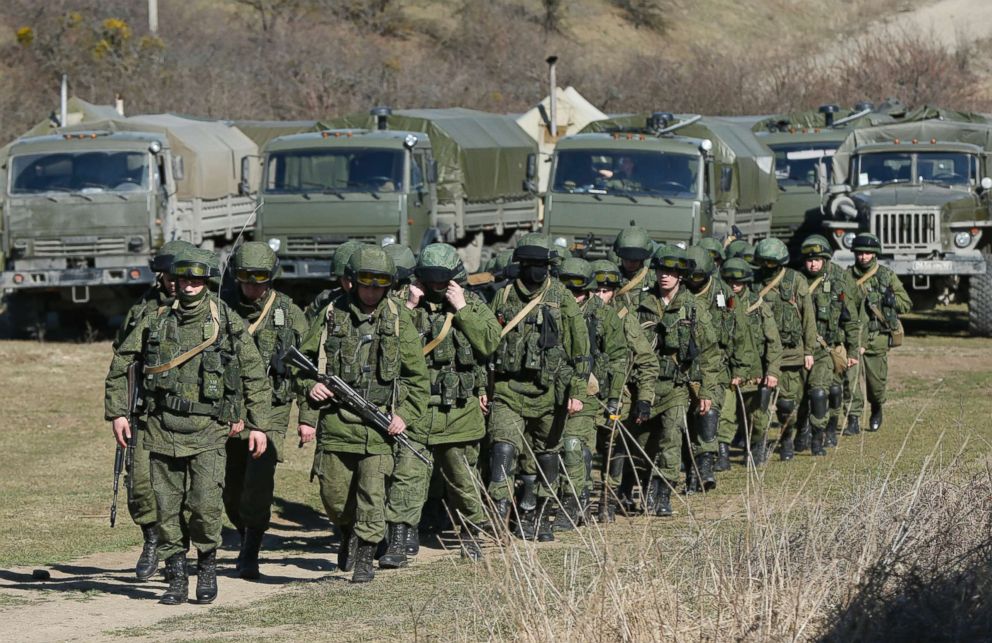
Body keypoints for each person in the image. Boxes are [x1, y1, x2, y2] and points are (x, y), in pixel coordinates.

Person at [105, 246, 272, 605]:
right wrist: (118, 413)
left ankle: (207, 566)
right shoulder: (155, 318)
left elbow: (255, 373)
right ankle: (177, 577)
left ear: (205, 282)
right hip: (162, 429)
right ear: (174, 281)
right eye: (184, 279)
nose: (190, 286)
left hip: (208, 431)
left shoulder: (225, 321)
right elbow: (122, 362)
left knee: (204, 506)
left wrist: (259, 425)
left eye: (197, 280)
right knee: (166, 508)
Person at [296, 246, 429, 583]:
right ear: (352, 282)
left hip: (379, 427)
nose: (372, 291)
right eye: (366, 284)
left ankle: (367, 556)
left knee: (373, 495)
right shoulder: (330, 315)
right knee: (335, 498)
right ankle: (348, 534)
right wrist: (310, 387)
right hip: (337, 424)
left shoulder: (399, 320)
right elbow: (300, 362)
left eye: (379, 285)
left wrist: (404, 416)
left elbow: (417, 378)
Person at [379, 243, 500, 565]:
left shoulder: (471, 303)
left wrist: (461, 308)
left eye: (441, 280)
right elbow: (384, 342)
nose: (435, 286)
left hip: (459, 412)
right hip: (414, 410)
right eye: (429, 279)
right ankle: (400, 540)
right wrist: (408, 304)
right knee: (407, 476)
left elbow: (490, 342)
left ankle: (472, 535)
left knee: (463, 479)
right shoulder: (400, 305)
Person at [484, 233, 590, 542]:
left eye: (541, 264)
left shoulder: (562, 298)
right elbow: (486, 347)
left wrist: (577, 392)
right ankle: (500, 513)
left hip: (550, 393)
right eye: (529, 264)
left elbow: (580, 350)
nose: (535, 270)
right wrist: (483, 388)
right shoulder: (502, 297)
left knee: (546, 457)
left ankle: (539, 514)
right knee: (503, 449)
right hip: (508, 390)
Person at [111, 239, 194, 581]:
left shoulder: (209, 310)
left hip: (191, 415)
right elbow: (122, 360)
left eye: (180, 273)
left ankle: (178, 552)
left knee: (188, 490)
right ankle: (151, 538)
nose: (174, 281)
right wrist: (119, 410)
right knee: (140, 485)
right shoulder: (141, 311)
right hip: (145, 412)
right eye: (168, 274)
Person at [222, 242, 307, 580]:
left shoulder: (290, 313)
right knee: (230, 489)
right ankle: (245, 534)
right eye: (245, 279)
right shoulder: (221, 308)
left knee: (257, 485)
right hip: (230, 410)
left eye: (259, 280)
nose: (252, 287)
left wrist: (307, 418)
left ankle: (250, 549)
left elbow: (305, 370)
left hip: (271, 410)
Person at [630, 244, 721, 515]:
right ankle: (645, 488)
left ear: (681, 275)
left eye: (671, 271)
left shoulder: (693, 308)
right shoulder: (641, 303)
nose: (665, 276)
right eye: (661, 270)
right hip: (643, 388)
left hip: (676, 388)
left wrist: (706, 392)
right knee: (645, 442)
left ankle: (663, 495)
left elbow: (710, 354)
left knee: (672, 440)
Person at [556, 258, 627, 529]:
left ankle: (573, 502)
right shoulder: (550, 306)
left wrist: (614, 398)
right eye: (567, 289)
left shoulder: (602, 314)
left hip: (588, 391)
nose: (572, 296)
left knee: (574, 445)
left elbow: (619, 357)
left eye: (578, 291)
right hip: (548, 390)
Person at [587, 259, 659, 521]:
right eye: (595, 290)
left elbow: (648, 361)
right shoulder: (576, 312)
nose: (599, 296)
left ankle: (608, 497)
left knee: (613, 448)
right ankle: (578, 499)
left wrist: (644, 399)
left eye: (605, 291)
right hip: (583, 395)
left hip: (618, 396)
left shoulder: (624, 318)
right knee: (582, 449)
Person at [751, 238, 817, 462]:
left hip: (791, 353)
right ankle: (758, 444)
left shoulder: (795, 280)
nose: (767, 266)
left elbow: (808, 317)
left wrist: (809, 350)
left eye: (771, 262)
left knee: (787, 403)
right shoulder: (753, 281)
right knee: (759, 404)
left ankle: (787, 437)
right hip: (761, 354)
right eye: (764, 262)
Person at [796, 235, 859, 453]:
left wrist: (852, 351)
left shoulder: (839, 280)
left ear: (825, 259)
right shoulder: (796, 281)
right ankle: (801, 432)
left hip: (829, 348)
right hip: (801, 348)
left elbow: (849, 318)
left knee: (828, 391)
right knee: (801, 395)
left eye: (817, 259)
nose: (812, 264)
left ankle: (826, 431)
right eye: (809, 260)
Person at [843, 233, 911, 433]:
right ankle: (853, 419)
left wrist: (890, 301)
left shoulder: (886, 275)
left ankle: (877, 407)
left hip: (876, 337)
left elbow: (906, 303)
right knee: (850, 381)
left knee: (876, 384)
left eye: (867, 253)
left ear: (875, 254)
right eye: (860, 253)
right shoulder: (846, 276)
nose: (863, 257)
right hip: (853, 338)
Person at [720, 258, 783, 465]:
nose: (734, 286)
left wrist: (772, 372)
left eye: (738, 282)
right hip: (727, 371)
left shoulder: (759, 307)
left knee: (758, 417)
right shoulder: (720, 305)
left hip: (756, 374)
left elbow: (774, 343)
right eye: (729, 281)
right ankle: (722, 454)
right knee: (724, 415)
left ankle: (757, 447)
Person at [682, 245, 733, 490]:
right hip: (683, 367)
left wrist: (745, 368)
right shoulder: (677, 293)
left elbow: (740, 331)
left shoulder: (723, 293)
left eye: (699, 277)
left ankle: (705, 465)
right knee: (682, 423)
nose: (694, 282)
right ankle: (690, 469)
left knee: (708, 411)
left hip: (714, 365)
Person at [304, 240, 366, 324]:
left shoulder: (383, 303)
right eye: (347, 279)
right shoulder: (326, 300)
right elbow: (306, 330)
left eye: (357, 279)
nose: (351, 285)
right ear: (339, 279)